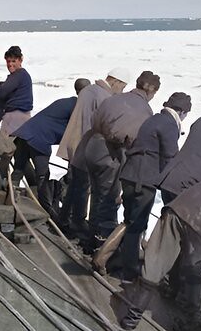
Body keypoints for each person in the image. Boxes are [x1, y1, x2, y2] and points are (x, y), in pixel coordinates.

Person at [117, 171, 201, 331]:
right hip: (198, 223)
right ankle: (190, 317)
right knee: (195, 271)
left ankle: (131, 318)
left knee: (155, 263)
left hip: (176, 208)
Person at [109, 91, 191, 281]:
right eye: (186, 113)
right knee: (137, 224)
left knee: (129, 220)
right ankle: (128, 270)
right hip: (143, 179)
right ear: (180, 111)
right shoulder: (169, 124)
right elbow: (171, 155)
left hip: (130, 174)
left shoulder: (156, 118)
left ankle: (117, 260)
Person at [77, 71, 160, 250]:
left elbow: (95, 119)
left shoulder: (114, 98)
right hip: (110, 154)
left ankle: (91, 238)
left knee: (98, 195)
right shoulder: (144, 110)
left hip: (92, 147)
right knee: (109, 199)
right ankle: (102, 245)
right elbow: (132, 139)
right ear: (152, 92)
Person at [56, 68, 132, 238]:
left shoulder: (89, 90)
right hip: (87, 147)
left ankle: (63, 220)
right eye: (123, 87)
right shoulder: (104, 97)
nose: (122, 91)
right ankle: (78, 224)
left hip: (75, 143)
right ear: (116, 81)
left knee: (75, 185)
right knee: (83, 188)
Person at [8, 78, 90, 215]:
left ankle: (9, 199)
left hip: (24, 133)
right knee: (43, 176)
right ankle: (47, 212)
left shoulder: (66, 102)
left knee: (18, 170)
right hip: (39, 139)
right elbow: (75, 137)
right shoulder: (78, 107)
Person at [0, 46, 34, 185]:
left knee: (3, 154)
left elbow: (2, 93)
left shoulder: (19, 75)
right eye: (8, 61)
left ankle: (2, 185)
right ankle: (34, 186)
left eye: (13, 61)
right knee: (21, 156)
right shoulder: (23, 76)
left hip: (14, 118)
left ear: (21, 60)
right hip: (25, 119)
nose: (10, 64)